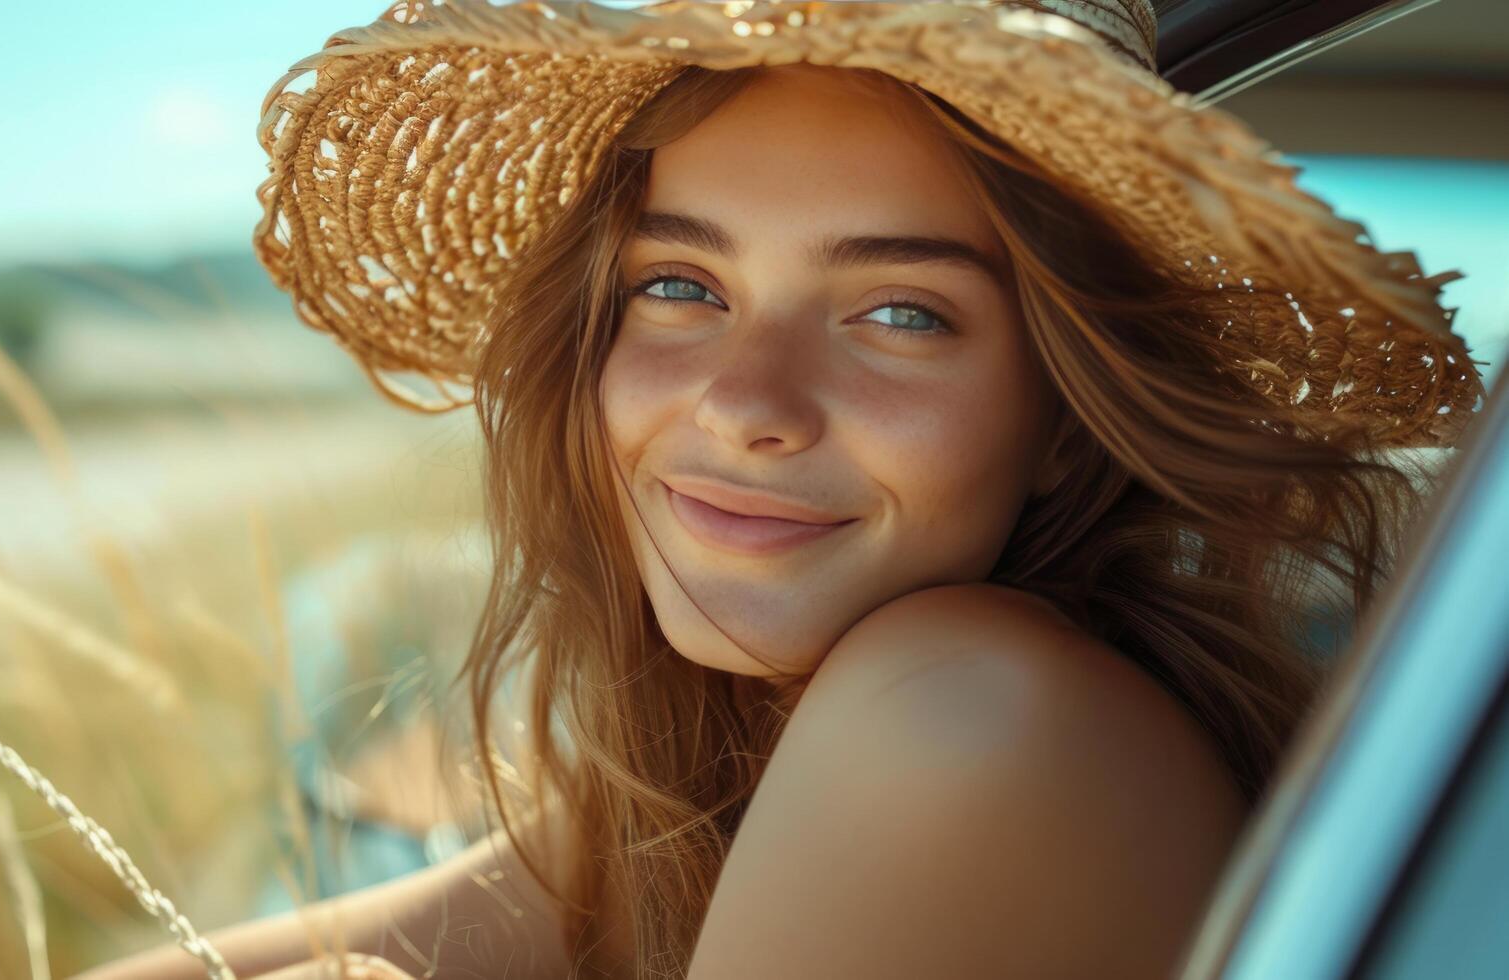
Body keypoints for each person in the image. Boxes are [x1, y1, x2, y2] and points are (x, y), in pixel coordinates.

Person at [77, 0, 1486, 977]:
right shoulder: (748, 740)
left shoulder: (963, 708)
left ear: (1065, 421)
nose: (744, 403)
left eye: (898, 314)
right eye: (679, 286)